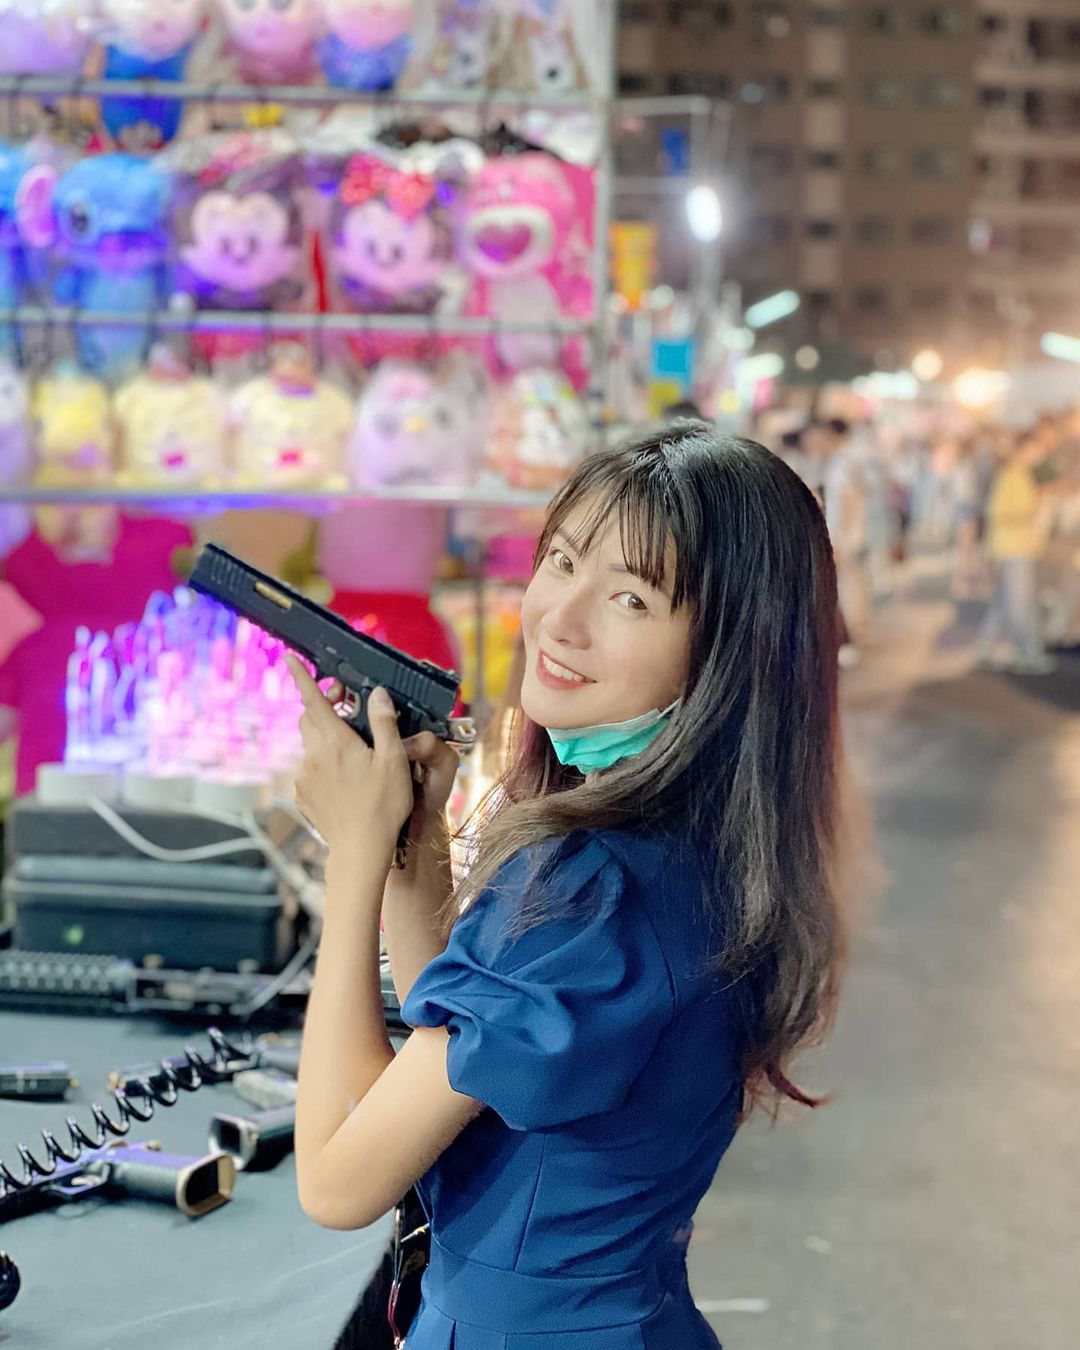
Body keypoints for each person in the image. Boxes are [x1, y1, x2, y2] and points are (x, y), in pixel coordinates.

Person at [285, 424, 860, 1350]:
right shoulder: (701, 844)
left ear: (726, 654)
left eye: (631, 597)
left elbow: (336, 1182)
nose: (560, 617)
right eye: (561, 560)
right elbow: (452, 1073)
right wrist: (409, 850)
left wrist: (351, 858)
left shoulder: (594, 883)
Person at [976, 430, 1055, 674]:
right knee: (1021, 604)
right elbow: (997, 512)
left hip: (1015, 547)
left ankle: (985, 648)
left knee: (1003, 602)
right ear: (1025, 447)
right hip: (1014, 548)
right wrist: (1033, 511)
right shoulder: (1012, 473)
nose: (1040, 454)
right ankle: (1026, 653)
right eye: (1037, 449)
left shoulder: (1020, 473)